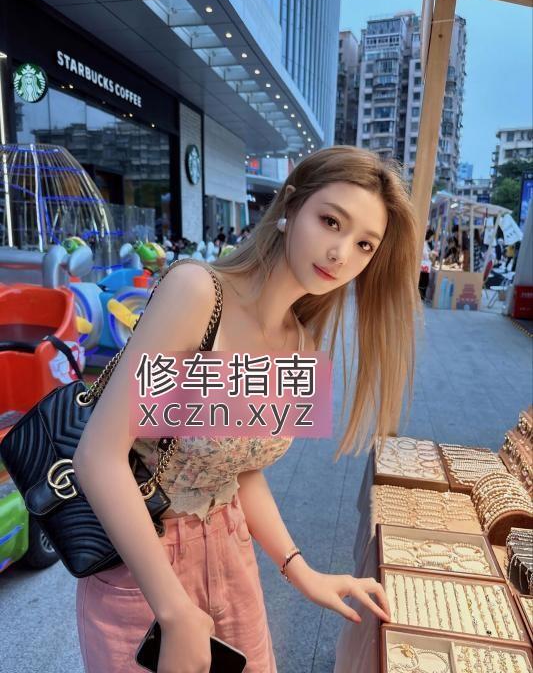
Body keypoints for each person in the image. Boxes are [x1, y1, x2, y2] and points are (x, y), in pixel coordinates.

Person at [72, 145, 421, 673]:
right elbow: (98, 456)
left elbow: (239, 470)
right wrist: (175, 612)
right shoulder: (196, 291)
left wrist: (302, 571)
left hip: (233, 557)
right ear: (290, 206)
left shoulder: (305, 348)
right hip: (142, 562)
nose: (340, 253)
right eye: (331, 221)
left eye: (364, 244)